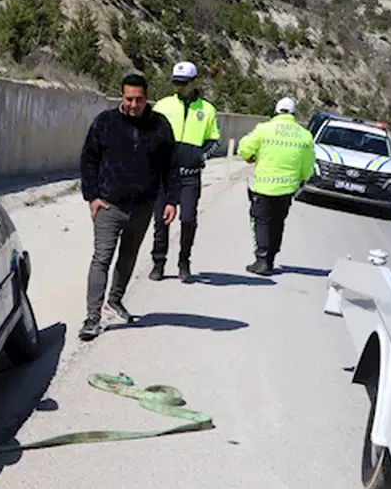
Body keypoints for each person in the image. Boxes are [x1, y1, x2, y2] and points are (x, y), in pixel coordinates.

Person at [78, 72, 179, 341]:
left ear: (147, 98)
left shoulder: (160, 125)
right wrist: (92, 197)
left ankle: (115, 299)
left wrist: (171, 200)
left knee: (128, 256)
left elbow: (170, 166)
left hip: (143, 207)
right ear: (122, 97)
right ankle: (92, 318)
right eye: (129, 99)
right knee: (102, 258)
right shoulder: (105, 122)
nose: (134, 105)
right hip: (109, 206)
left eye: (139, 99)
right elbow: (88, 160)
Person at [149, 61, 221, 283]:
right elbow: (150, 134)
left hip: (190, 176)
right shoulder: (163, 105)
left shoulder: (207, 110)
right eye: (176, 83)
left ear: (193, 82)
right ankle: (158, 262)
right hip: (165, 176)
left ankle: (184, 261)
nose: (180, 87)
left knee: (188, 219)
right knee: (161, 221)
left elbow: (214, 140)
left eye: (184, 83)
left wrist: (200, 156)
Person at [237, 97, 315, 276]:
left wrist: (249, 157)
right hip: (287, 188)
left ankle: (262, 259)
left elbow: (245, 148)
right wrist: (301, 179)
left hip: (264, 186)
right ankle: (270, 258)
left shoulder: (264, 129)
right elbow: (308, 165)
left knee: (261, 221)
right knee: (278, 222)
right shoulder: (305, 135)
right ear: (294, 113)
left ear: (276, 111)